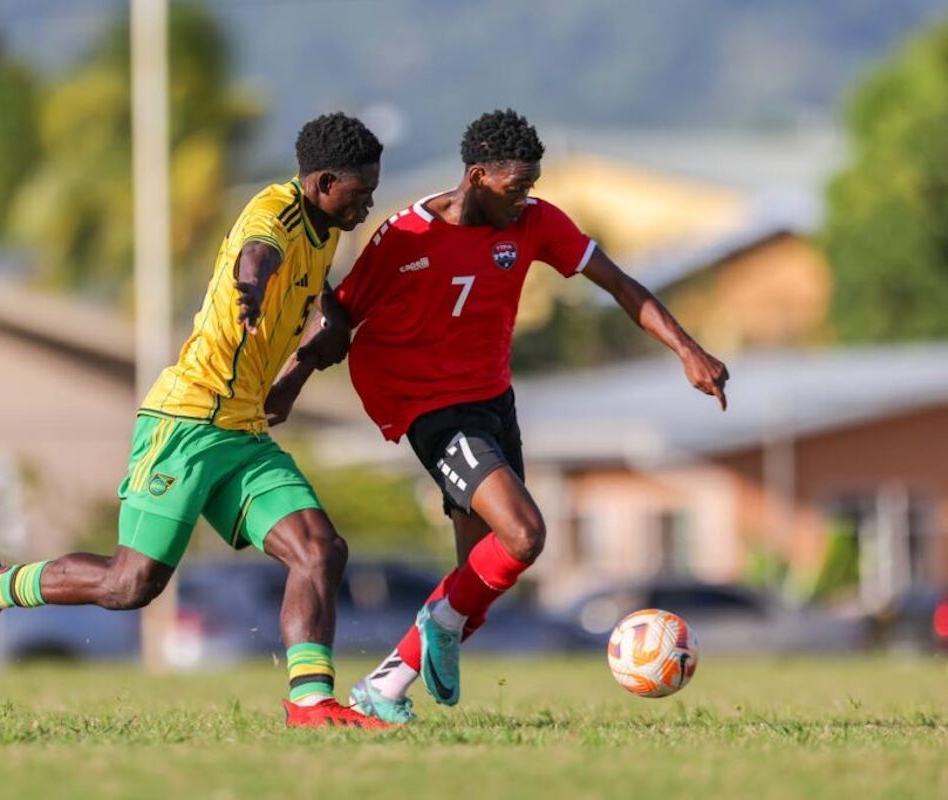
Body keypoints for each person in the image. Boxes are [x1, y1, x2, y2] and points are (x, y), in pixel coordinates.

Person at [268, 109, 728, 723]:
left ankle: (386, 686)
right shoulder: (405, 236)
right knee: (525, 535)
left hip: (492, 401)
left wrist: (688, 350)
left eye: (532, 186)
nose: (525, 200)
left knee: (480, 574)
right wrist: (291, 383)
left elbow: (617, 283)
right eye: (516, 188)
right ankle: (433, 632)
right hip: (429, 407)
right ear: (478, 176)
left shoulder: (536, 224)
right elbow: (340, 316)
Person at [0, 112, 389, 729]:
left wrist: (301, 365)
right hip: (187, 422)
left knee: (319, 550)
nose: (368, 204)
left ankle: (311, 705)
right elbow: (256, 254)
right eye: (360, 192)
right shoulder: (277, 212)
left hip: (244, 433)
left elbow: (315, 299)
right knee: (131, 586)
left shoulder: (326, 229)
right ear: (323, 182)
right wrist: (250, 287)